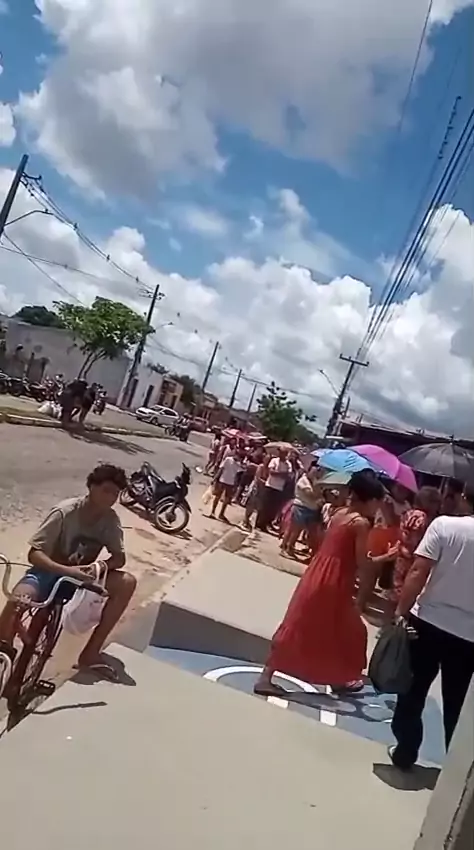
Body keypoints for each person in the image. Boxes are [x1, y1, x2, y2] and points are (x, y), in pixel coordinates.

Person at [0, 464, 137, 681]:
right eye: (106, 491)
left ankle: (90, 653)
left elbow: (119, 558)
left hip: (81, 579)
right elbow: (34, 554)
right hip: (48, 571)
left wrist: (99, 567)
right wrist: (67, 570)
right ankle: (3, 647)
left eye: (115, 494)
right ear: (91, 487)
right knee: (17, 600)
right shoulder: (65, 512)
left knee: (127, 582)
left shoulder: (110, 520)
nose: (110, 498)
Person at [254, 471, 385, 696]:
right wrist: (385, 558)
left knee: (307, 625)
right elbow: (362, 562)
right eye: (377, 503)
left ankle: (335, 677)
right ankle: (269, 678)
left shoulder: (340, 514)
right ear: (370, 500)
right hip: (335, 581)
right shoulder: (360, 523)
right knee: (346, 630)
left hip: (318, 573)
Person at [389, 483, 474, 771]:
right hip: (468, 635)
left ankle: (405, 750)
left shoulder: (444, 526)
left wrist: (401, 611)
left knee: (413, 691)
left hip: (428, 620)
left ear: (464, 498)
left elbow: (418, 570)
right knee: (457, 704)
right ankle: (454, 771)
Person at [388, 486, 442, 612]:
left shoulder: (408, 513)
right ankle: (400, 613)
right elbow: (417, 538)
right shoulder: (422, 517)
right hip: (412, 556)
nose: (438, 506)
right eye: (435, 503)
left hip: (402, 553)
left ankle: (392, 612)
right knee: (408, 585)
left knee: (398, 583)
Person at [280, 462, 324, 558]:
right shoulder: (303, 481)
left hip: (311, 509)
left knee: (304, 531)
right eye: (313, 472)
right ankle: (287, 547)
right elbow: (311, 495)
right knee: (294, 529)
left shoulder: (315, 483)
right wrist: (317, 489)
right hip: (301, 507)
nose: (315, 474)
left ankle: (289, 547)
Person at [255, 448, 292, 532]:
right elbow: (271, 472)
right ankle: (259, 523)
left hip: (279, 488)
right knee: (265, 506)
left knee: (273, 508)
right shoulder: (274, 461)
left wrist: (279, 473)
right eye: (280, 452)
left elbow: (289, 476)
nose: (281, 454)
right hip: (270, 485)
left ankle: (266, 523)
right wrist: (282, 473)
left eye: (283, 453)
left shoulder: (288, 464)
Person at [210, 447, 245, 522]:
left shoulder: (239, 465)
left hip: (231, 483)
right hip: (222, 480)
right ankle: (213, 512)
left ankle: (221, 513)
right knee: (217, 497)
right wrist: (215, 478)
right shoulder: (228, 459)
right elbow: (221, 469)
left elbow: (239, 473)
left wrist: (235, 485)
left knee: (226, 499)